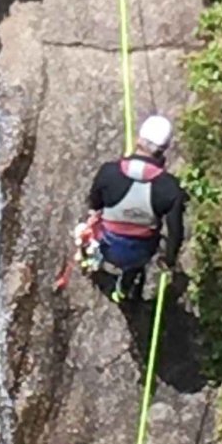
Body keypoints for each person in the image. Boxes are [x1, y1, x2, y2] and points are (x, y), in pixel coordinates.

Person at [86, 115, 187, 303]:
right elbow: (175, 233)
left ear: (138, 140)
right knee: (135, 263)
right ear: (163, 150)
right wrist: (169, 260)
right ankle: (123, 289)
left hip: (106, 243)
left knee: (95, 229)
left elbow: (94, 203)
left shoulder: (109, 172)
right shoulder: (170, 188)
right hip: (139, 252)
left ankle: (94, 262)